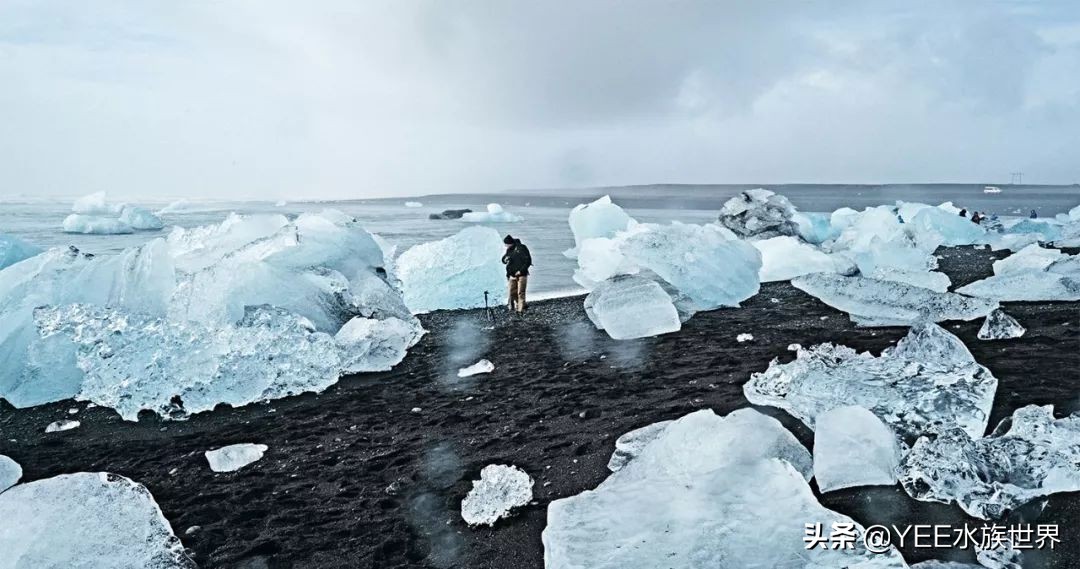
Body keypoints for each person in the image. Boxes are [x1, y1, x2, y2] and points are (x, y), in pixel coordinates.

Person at [502, 235, 532, 313]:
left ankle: (520, 310)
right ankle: (522, 305)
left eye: (506, 244)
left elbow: (528, 261)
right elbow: (504, 259)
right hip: (511, 274)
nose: (506, 246)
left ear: (510, 243)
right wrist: (505, 260)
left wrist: (521, 271)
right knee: (512, 292)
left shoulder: (522, 248)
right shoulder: (509, 250)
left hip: (521, 274)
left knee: (520, 292)